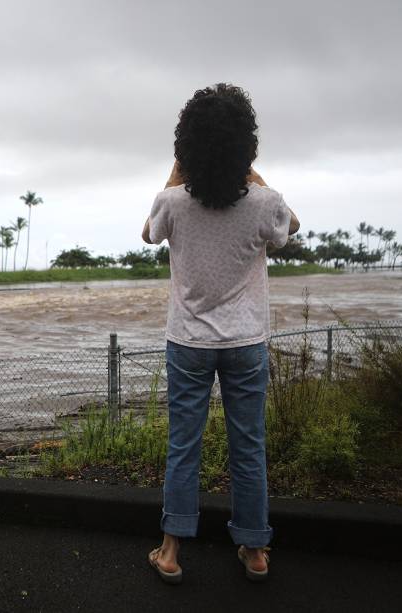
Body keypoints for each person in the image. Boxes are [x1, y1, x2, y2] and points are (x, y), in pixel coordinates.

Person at [142, 83, 300, 584]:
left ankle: (170, 551)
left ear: (186, 146)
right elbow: (291, 225)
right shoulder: (264, 202)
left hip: (187, 341)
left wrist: (177, 167)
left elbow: (147, 232)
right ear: (246, 145)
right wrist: (250, 173)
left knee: (183, 445)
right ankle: (254, 551)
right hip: (246, 342)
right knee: (248, 446)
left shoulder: (173, 201)